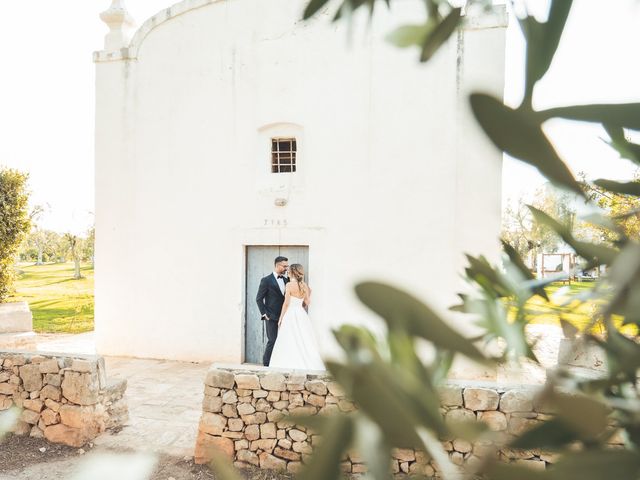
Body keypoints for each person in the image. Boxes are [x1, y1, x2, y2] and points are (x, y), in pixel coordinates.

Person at [269, 264, 324, 370]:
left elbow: (286, 304)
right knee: (304, 338)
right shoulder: (305, 286)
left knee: (288, 338)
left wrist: (280, 318)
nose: (287, 272)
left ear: (292, 272)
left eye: (288, 271)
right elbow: (307, 301)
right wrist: (301, 305)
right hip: (301, 314)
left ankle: (288, 363)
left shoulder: (289, 285)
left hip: (290, 314)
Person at [256, 256, 289, 366]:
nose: (286, 268)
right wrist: (265, 314)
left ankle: (279, 363)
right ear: (277, 265)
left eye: (287, 266)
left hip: (285, 315)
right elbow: (259, 299)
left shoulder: (286, 280)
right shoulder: (266, 280)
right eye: (284, 266)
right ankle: (266, 364)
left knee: (284, 340)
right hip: (271, 316)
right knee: (272, 340)